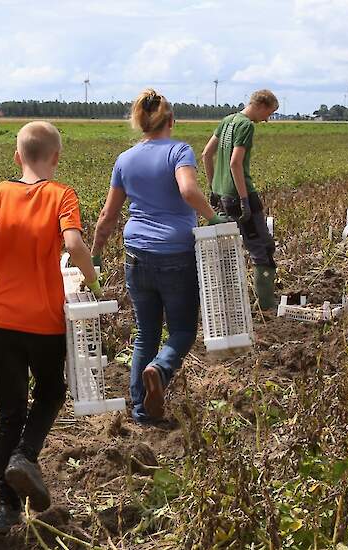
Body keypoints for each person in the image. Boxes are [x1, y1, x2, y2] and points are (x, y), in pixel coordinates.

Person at [0, 121, 100, 534]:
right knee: (52, 390)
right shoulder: (62, 195)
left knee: (8, 408)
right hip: (44, 318)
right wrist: (93, 280)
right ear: (55, 157)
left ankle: (6, 507)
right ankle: (24, 456)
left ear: (17, 156)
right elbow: (73, 245)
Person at [92, 89, 227, 424]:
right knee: (181, 331)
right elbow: (188, 190)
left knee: (145, 334)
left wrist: (95, 253)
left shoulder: (125, 159)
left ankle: (140, 411)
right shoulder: (179, 151)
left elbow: (108, 216)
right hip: (175, 253)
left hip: (136, 255)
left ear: (141, 123)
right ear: (171, 121)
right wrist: (213, 218)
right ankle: (161, 369)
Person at [201, 89, 279, 310]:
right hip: (240, 196)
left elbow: (206, 154)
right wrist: (244, 200)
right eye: (269, 113)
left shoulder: (227, 121)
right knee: (262, 248)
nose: (266, 119)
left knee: (224, 249)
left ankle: (225, 302)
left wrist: (214, 188)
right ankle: (266, 304)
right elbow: (236, 163)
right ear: (261, 105)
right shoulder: (246, 125)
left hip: (223, 197)